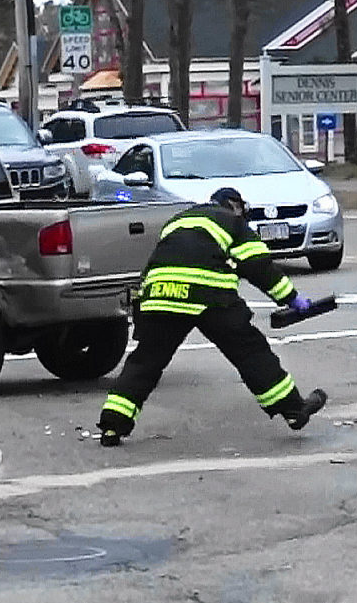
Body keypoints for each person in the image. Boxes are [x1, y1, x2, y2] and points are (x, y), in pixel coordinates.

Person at [97, 186, 326, 447]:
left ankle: (112, 425)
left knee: (145, 362)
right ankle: (294, 411)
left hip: (160, 293)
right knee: (251, 353)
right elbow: (258, 266)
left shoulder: (178, 220)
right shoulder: (233, 222)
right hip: (209, 294)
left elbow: (156, 262)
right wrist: (291, 298)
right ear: (235, 205)